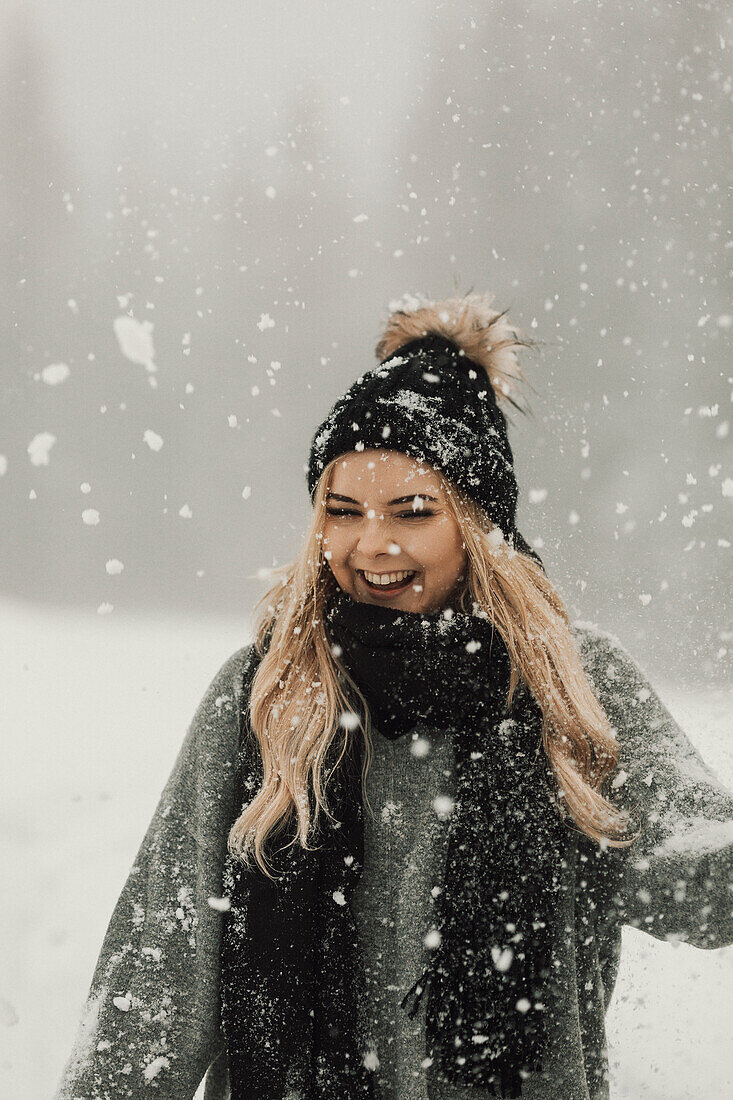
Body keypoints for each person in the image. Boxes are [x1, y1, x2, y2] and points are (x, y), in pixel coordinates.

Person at [54, 293, 733, 1100]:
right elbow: (159, 970)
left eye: (411, 513)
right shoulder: (267, 691)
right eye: (341, 512)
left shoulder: (571, 683)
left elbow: (699, 890)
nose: (369, 543)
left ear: (476, 524)